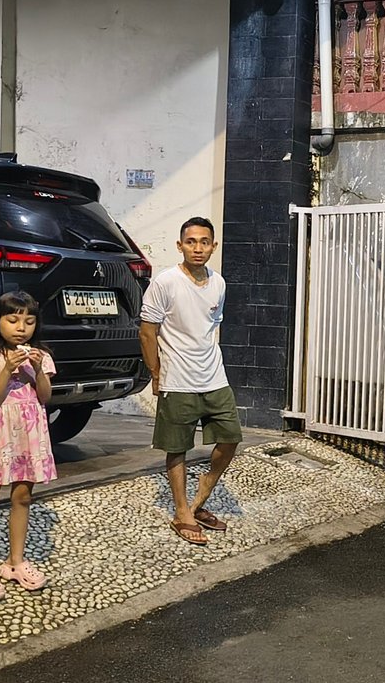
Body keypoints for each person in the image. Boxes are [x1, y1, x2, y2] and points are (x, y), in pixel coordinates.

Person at [139, 217, 243, 547]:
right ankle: (182, 511)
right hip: (177, 378)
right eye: (191, 241)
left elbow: (211, 326)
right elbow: (147, 331)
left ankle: (200, 497)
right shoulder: (165, 282)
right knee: (177, 447)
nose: (197, 247)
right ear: (180, 245)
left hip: (214, 375)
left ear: (213, 246)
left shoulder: (219, 283)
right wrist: (156, 374)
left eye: (204, 242)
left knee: (230, 439)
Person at [0, 292, 59, 602]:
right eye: (13, 320)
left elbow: (45, 396)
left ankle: (15, 561)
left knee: (23, 495)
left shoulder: (41, 356)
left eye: (29, 321)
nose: (21, 328)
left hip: (29, 435)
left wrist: (39, 369)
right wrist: (7, 369)